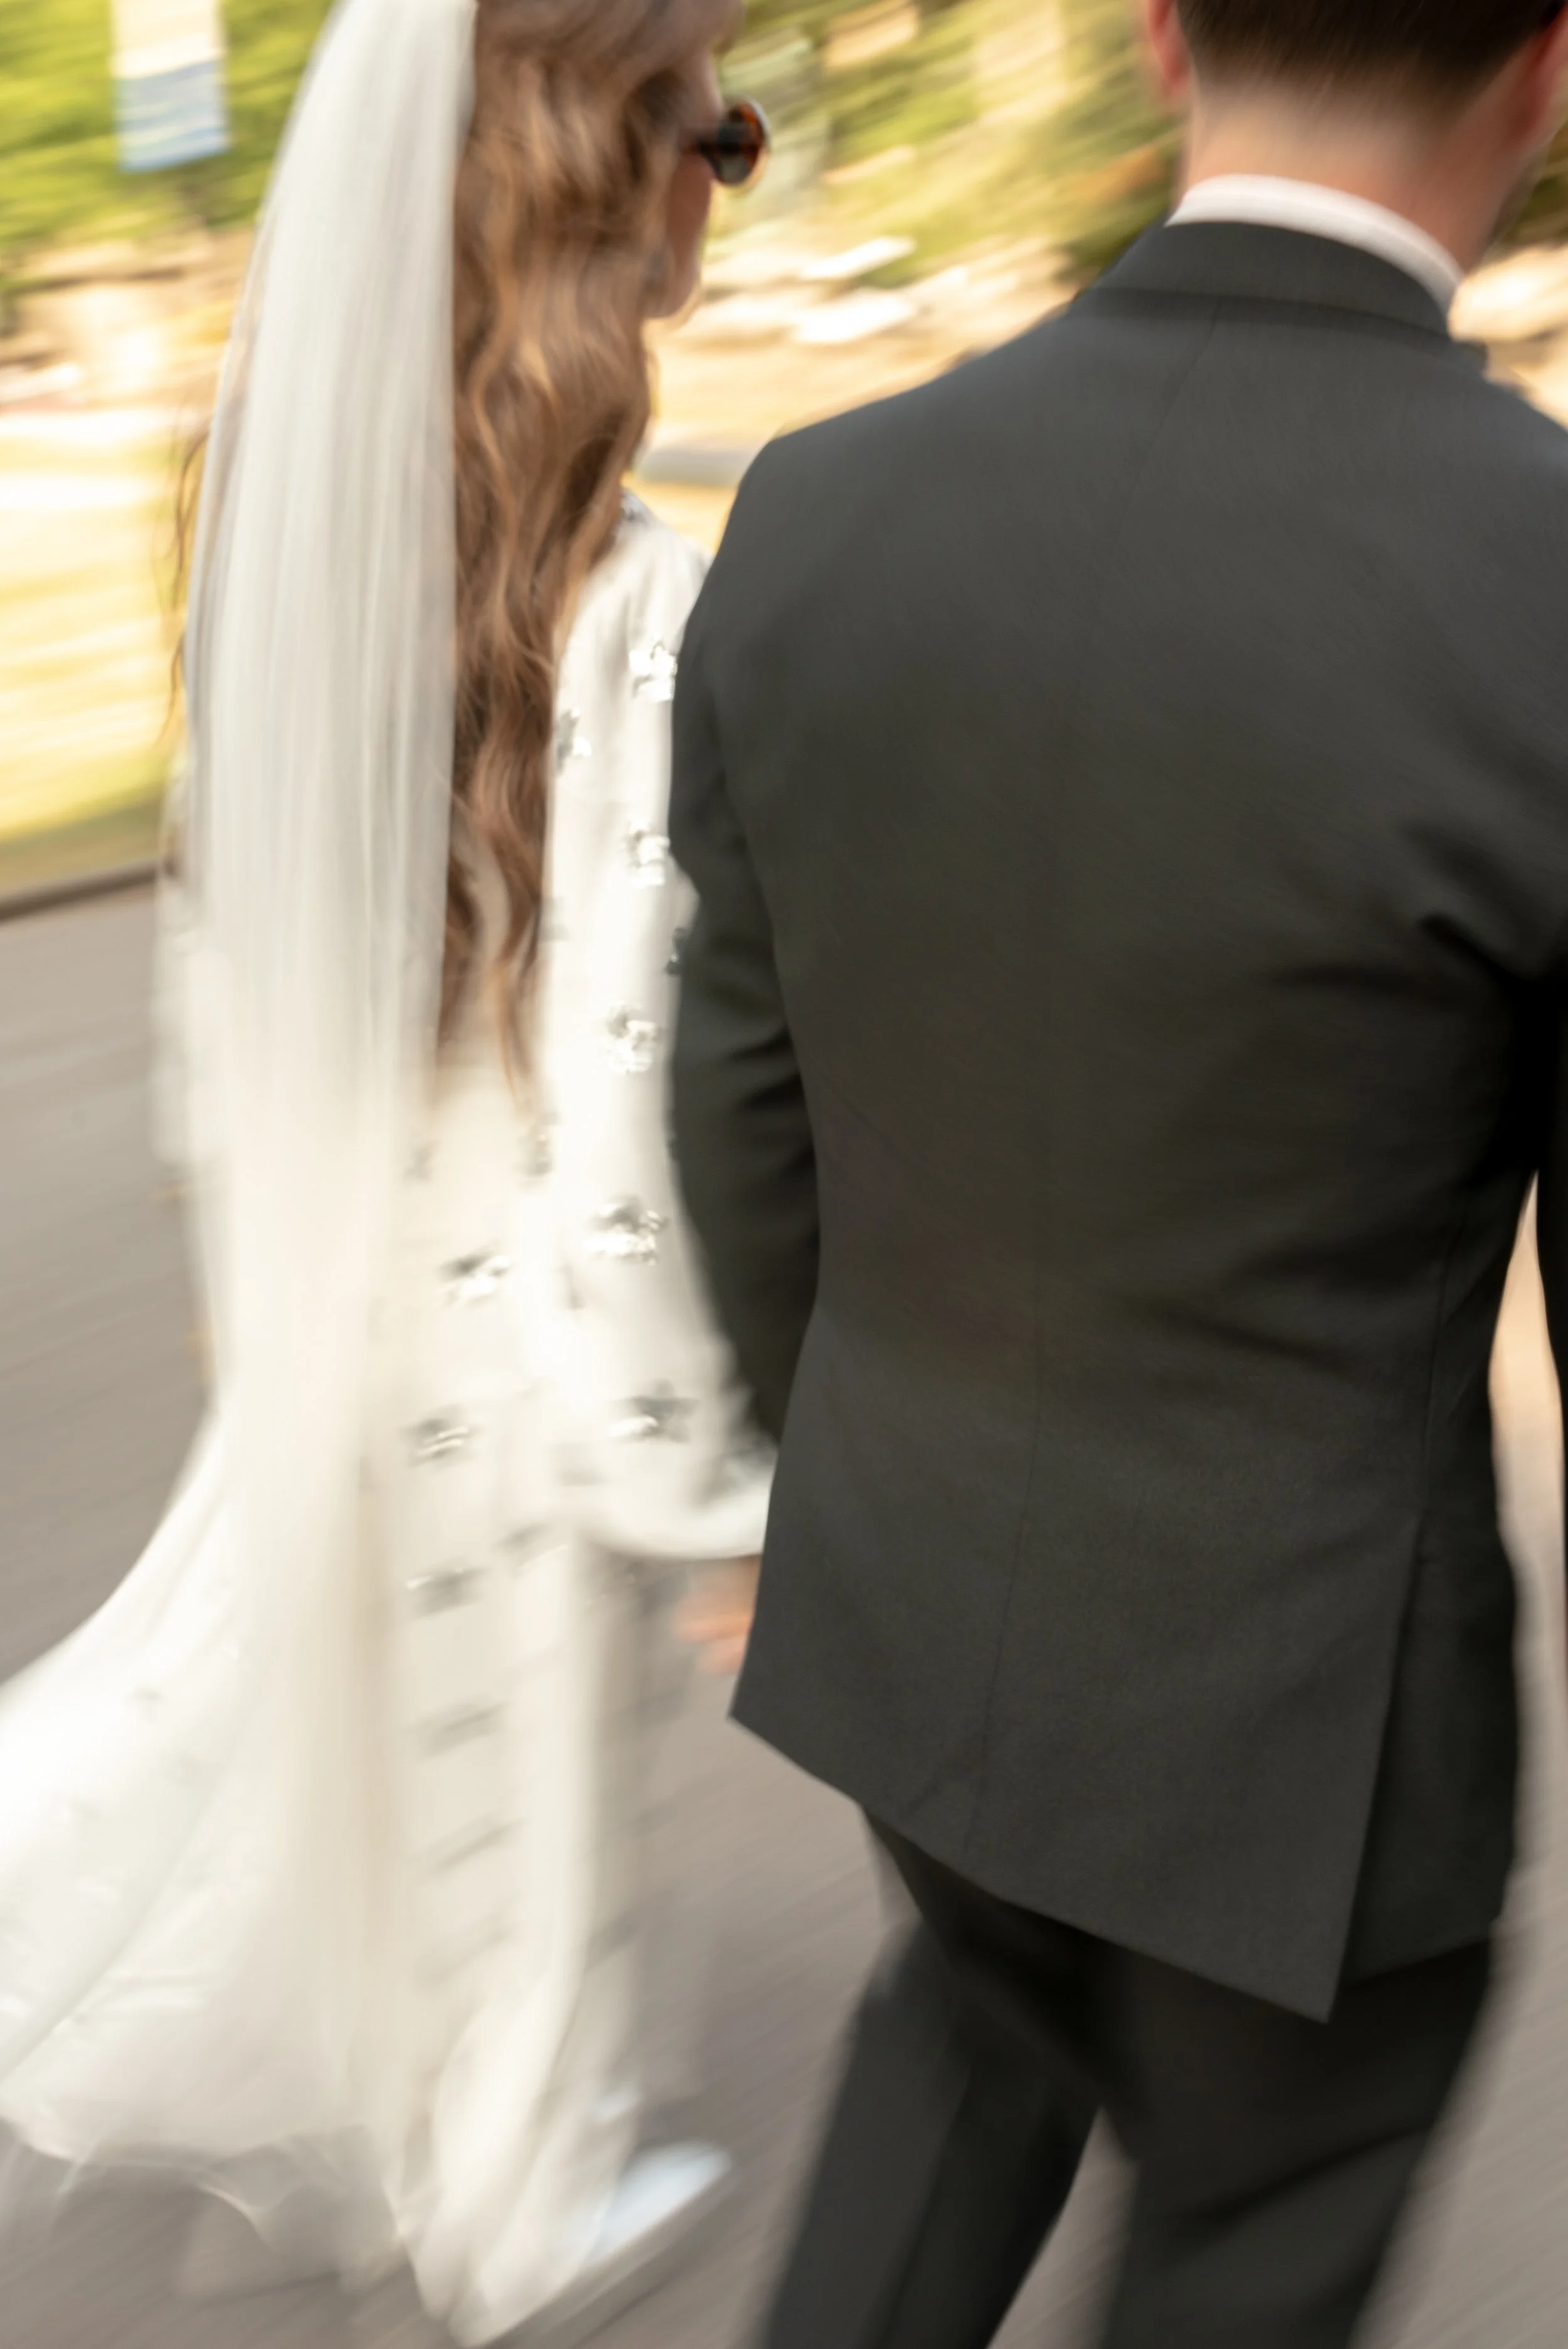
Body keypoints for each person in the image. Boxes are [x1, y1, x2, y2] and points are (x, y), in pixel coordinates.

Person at [669, 3, 1568, 2343]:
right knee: (1251, 2219)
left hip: (918, 1590)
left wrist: (845, 1457)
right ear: (1545, 68)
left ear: (1164, 42)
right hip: (1308, 1718)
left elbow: (741, 1105)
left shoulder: (819, 501)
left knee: (972, 2032)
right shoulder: (1535, 568)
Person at [0, 2, 773, 2341]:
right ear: (599, 172)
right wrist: (703, 1473)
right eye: (719, 126)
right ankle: (519, 2198)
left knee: (331, 1725)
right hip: (532, 1321)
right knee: (525, 1788)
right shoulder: (627, 589)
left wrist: (251, 1250)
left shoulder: (281, 521)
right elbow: (625, 1084)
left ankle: (490, 2165)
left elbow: (209, 957)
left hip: (342, 1273)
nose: (733, 177)